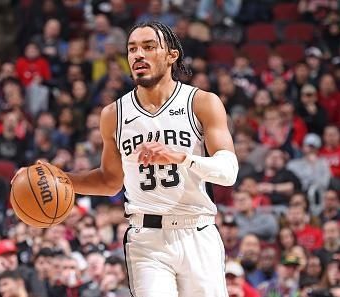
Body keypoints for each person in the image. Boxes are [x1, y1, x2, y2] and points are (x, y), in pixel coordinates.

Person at [12, 21, 238, 297]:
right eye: (132, 49)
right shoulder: (113, 114)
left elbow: (228, 172)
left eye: (148, 47)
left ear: (171, 55)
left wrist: (183, 158)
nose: (138, 55)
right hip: (146, 238)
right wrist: (54, 178)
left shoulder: (201, 103)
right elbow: (110, 181)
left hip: (198, 231)